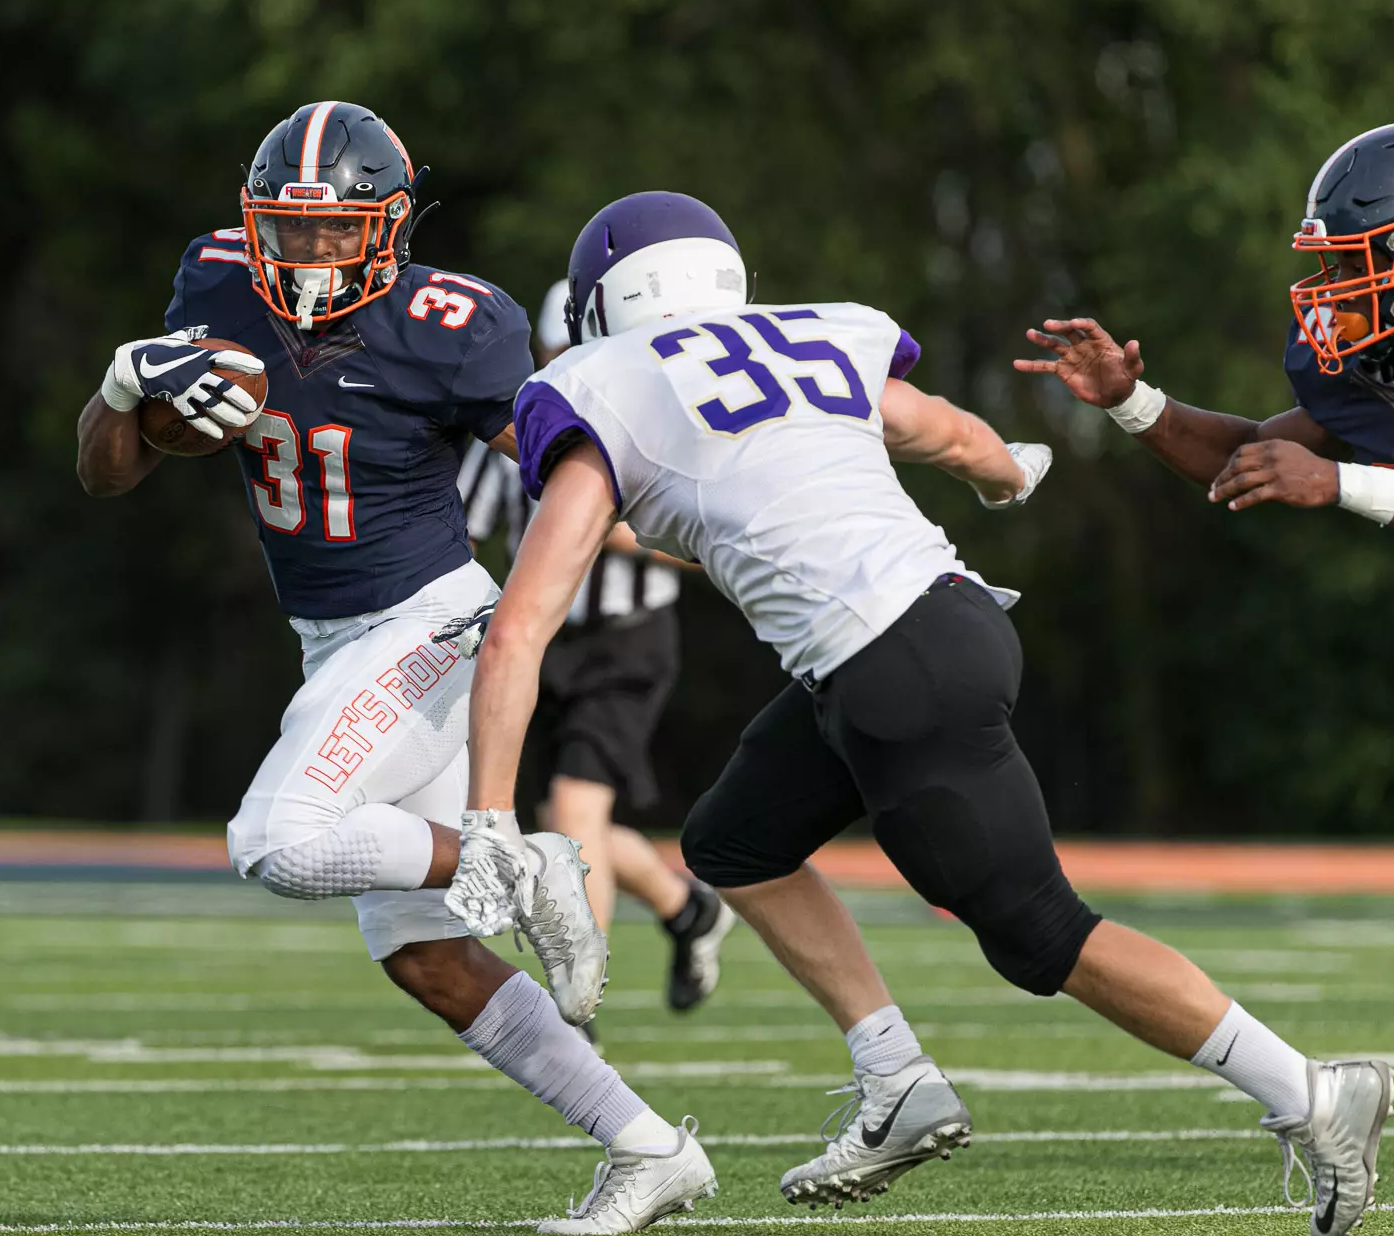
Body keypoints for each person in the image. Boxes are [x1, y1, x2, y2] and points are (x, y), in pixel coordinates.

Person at [444, 190, 1390, 1235]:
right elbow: (959, 439)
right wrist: (1009, 477)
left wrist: (490, 814)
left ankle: (1312, 1092)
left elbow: (520, 630)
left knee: (1041, 933)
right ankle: (895, 1077)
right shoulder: (811, 337)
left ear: (600, 305)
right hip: (934, 628)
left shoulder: (599, 389)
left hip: (891, 666)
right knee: (735, 839)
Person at [75, 103, 710, 1235]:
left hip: (427, 622)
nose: (306, 255)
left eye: (333, 233)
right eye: (286, 229)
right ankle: (650, 1148)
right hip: (330, 640)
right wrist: (122, 387)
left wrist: (707, 513)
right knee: (424, 954)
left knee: (274, 839)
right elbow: (107, 475)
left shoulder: (457, 323)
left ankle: (525, 858)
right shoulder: (217, 282)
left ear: (392, 224)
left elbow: (568, 465)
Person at [457, 280, 735, 1030]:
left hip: (627, 638)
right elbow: (463, 531)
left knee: (575, 813)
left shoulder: (662, 433)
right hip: (542, 639)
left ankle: (576, 1013)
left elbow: (718, 546)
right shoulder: (518, 429)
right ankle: (687, 908)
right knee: (563, 820)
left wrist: (617, 531)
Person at [1013, 124, 1394, 527]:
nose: (1339, 289)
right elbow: (1251, 456)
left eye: (1357, 266)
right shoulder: (1366, 362)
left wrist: (1337, 481)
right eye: (1339, 266)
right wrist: (1130, 402)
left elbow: (1322, 477)